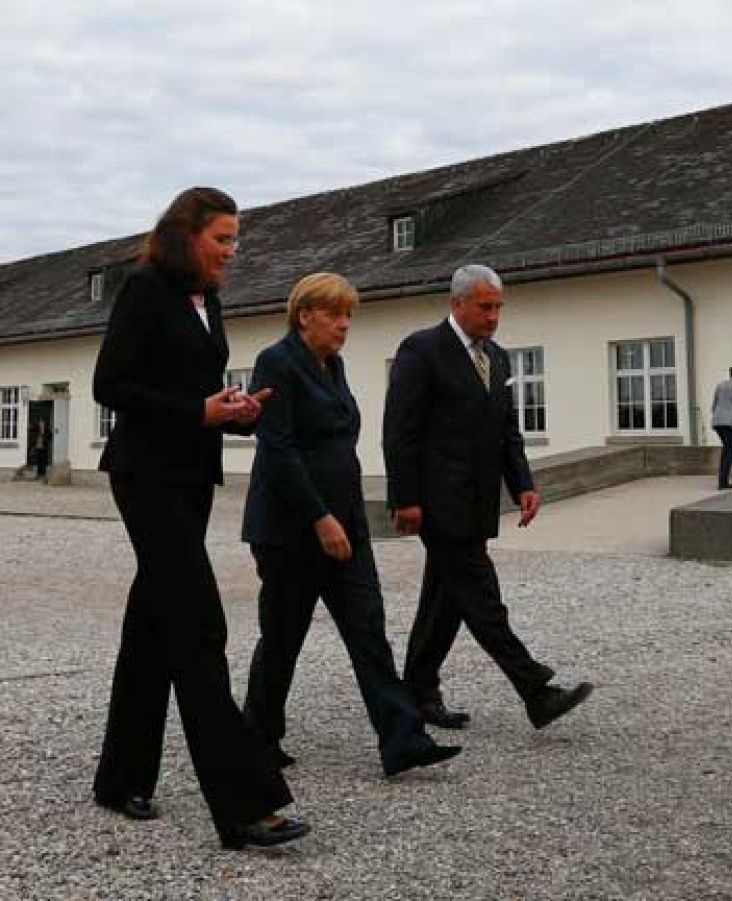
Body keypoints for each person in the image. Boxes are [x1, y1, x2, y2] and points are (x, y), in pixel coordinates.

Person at [91, 186, 308, 849]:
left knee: (154, 626)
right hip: (145, 476)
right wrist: (198, 413)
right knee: (199, 626)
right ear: (187, 234)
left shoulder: (206, 299)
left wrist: (233, 413)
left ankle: (120, 776)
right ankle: (246, 803)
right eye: (223, 239)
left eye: (236, 240)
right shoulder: (144, 288)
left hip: (191, 477)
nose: (231, 252)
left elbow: (193, 389)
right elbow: (110, 386)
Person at [240, 273, 462, 777]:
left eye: (348, 316)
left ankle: (403, 740)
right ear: (304, 316)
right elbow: (278, 452)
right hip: (290, 531)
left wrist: (349, 520)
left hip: (347, 525)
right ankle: (257, 738)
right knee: (282, 637)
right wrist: (319, 518)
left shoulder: (333, 366)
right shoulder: (277, 363)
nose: (344, 325)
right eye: (335, 314)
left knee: (368, 629)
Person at [383, 264, 593, 732]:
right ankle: (535, 690)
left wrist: (523, 483)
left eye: (498, 306)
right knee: (482, 598)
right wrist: (405, 498)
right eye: (485, 306)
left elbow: (506, 431)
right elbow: (399, 432)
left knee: (446, 599)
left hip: (477, 501)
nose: (494, 316)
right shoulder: (422, 350)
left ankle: (416, 690)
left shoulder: (496, 358)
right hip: (438, 503)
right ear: (457, 304)